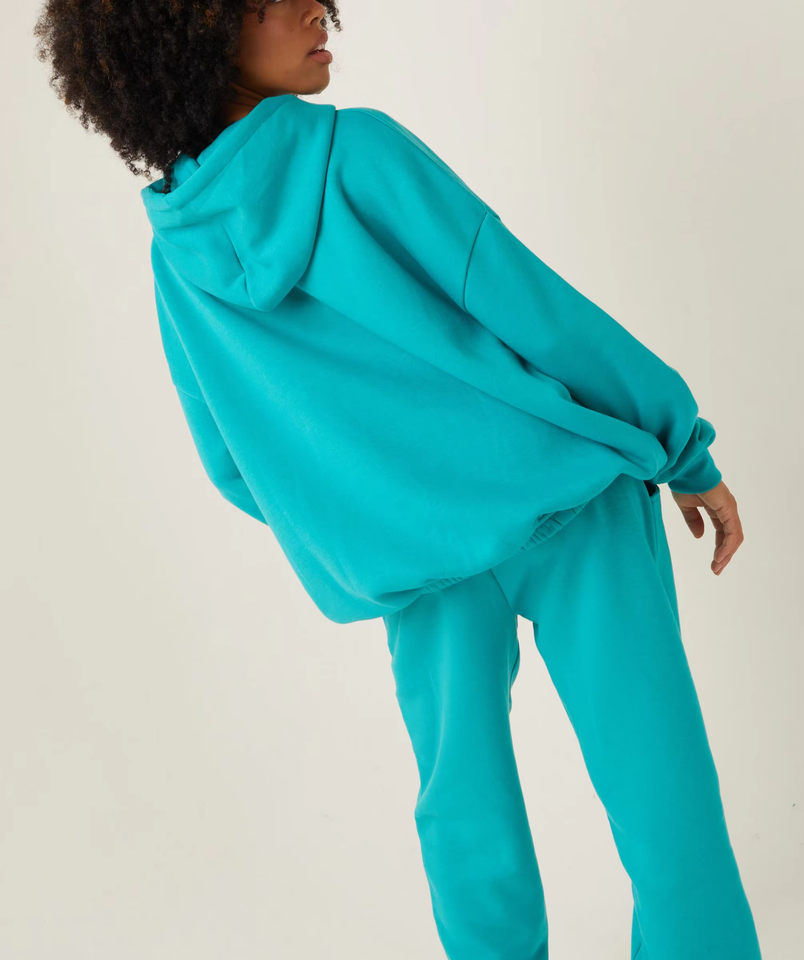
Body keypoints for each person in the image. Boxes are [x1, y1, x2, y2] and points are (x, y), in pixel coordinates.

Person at [34, 0, 762, 956]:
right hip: (570, 503)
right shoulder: (356, 151)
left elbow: (231, 461)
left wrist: (376, 505)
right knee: (660, 784)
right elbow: (534, 311)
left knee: (463, 807)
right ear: (196, 32)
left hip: (417, 569)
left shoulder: (180, 252)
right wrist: (681, 444)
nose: (318, 9)